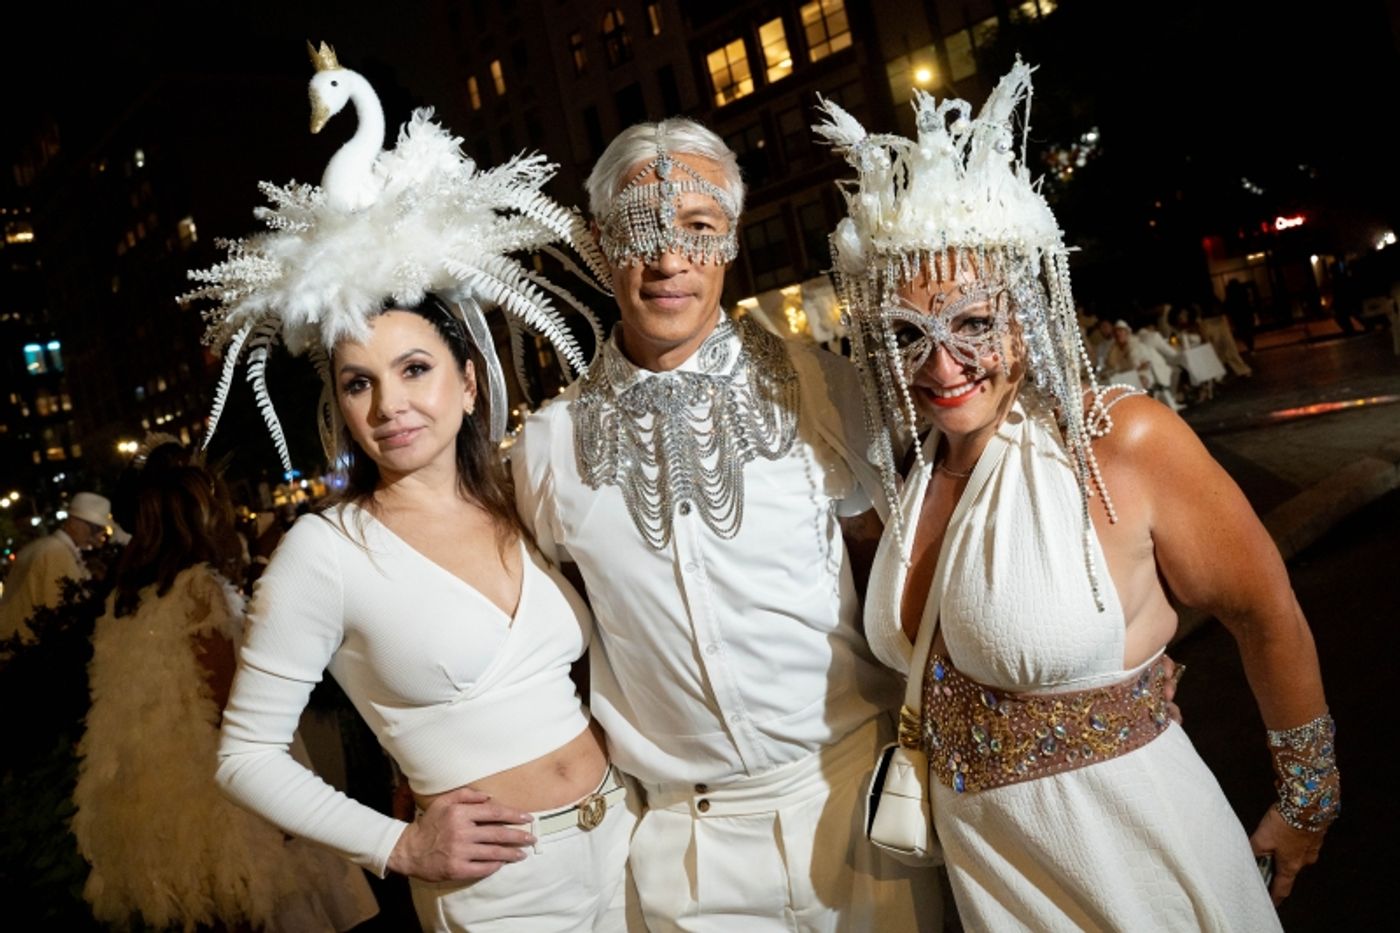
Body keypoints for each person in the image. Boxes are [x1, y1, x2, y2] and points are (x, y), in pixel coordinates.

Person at [815, 61, 1337, 930]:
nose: (942, 365)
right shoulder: (911, 473)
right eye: (909, 334)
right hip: (995, 885)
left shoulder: (1116, 440)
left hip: (1139, 867)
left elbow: (1265, 610)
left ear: (1026, 312)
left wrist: (1308, 801)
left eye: (973, 323)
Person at [191, 48, 634, 931]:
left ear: (468, 382)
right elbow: (245, 755)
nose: (389, 404)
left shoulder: (522, 500)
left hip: (628, 843)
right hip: (501, 893)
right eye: (358, 383)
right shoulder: (326, 551)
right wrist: (395, 845)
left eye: (415, 369)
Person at [513, 118, 941, 931]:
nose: (670, 259)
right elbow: (551, 641)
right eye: (641, 230)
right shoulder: (548, 447)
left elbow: (906, 575)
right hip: (687, 848)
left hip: (857, 799)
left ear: (733, 236)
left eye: (697, 227)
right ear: (601, 244)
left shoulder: (825, 390)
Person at [72, 455, 379, 931]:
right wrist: (279, 803)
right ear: (194, 517)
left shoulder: (126, 597)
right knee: (276, 902)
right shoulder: (198, 588)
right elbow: (227, 703)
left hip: (162, 787)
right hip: (226, 787)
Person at [0, 491, 110, 643]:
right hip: (28, 646)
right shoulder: (56, 552)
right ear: (75, 522)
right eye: (96, 528)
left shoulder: (48, 547)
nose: (99, 536)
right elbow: (59, 611)